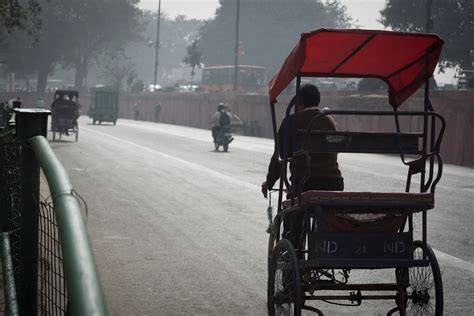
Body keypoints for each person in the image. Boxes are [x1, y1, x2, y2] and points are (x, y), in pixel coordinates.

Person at [261, 84, 343, 247]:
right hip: (334, 184)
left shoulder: (292, 121)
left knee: (293, 223)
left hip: (304, 185)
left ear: (299, 102)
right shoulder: (329, 121)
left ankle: (291, 259)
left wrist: (269, 183)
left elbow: (279, 158)